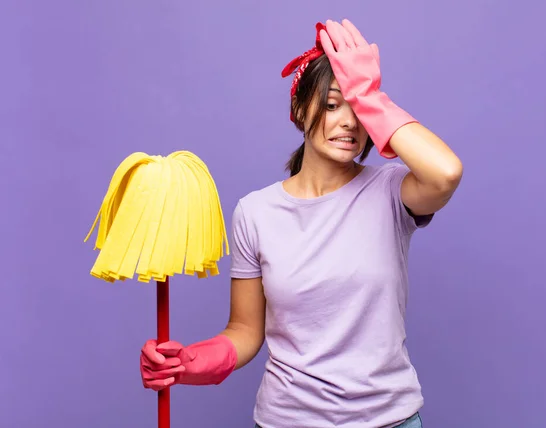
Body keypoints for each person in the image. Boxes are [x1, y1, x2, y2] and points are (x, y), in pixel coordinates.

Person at [139, 19, 463, 428]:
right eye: (331, 104)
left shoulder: (392, 191)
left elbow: (446, 172)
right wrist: (189, 363)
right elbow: (244, 330)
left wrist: (370, 95)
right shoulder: (255, 212)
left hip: (389, 421)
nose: (349, 121)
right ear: (298, 109)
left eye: (358, 109)